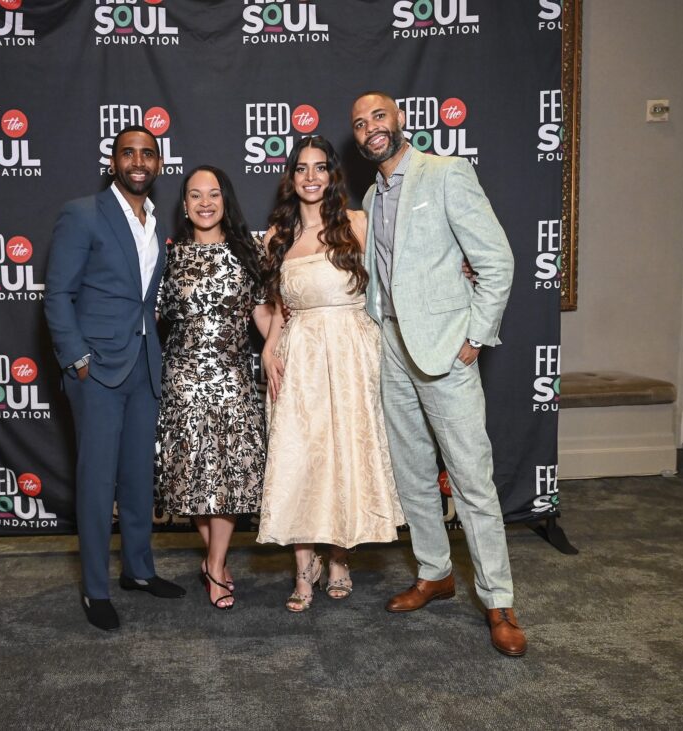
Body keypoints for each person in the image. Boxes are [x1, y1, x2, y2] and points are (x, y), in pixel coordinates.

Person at [350, 91, 527, 656]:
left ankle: (499, 601)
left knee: (471, 479)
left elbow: (497, 260)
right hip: (394, 347)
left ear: (400, 120)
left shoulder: (447, 174)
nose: (371, 128)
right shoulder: (372, 195)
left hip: (446, 350)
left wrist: (474, 338)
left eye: (379, 117)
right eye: (360, 124)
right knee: (412, 475)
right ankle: (435, 572)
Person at [44, 125, 185, 632]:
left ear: (160, 164)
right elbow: (57, 294)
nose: (139, 161)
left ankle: (139, 572)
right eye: (129, 153)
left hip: (144, 365)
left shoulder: (155, 220)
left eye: (148, 153)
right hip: (97, 369)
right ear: (114, 162)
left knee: (136, 479)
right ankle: (95, 589)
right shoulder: (83, 213)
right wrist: (76, 358)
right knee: (98, 480)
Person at [258, 135, 404, 612]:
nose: (311, 177)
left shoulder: (357, 224)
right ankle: (304, 569)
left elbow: (399, 273)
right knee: (300, 458)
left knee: (345, 453)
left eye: (320, 168)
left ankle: (340, 557)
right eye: (302, 168)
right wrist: (269, 347)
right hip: (299, 356)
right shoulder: (276, 238)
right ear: (291, 177)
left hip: (352, 351)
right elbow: (278, 307)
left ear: (333, 175)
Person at [155, 165, 272, 610]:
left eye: (214, 195)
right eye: (195, 195)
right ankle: (213, 560)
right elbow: (153, 316)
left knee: (227, 478)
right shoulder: (171, 258)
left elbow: (265, 315)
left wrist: (274, 346)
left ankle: (217, 565)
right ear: (184, 204)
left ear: (226, 201)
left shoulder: (249, 252)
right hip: (182, 380)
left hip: (232, 379)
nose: (205, 203)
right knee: (193, 478)